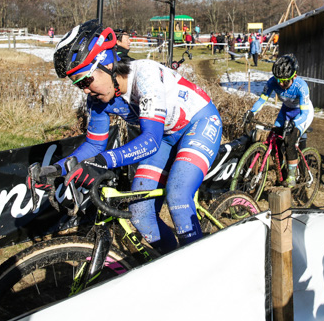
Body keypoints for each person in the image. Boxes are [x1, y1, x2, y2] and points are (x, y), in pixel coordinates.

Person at [45, 19, 222, 252]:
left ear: (107, 64)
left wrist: (102, 162)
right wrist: (57, 169)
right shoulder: (98, 98)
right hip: (166, 136)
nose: (86, 90)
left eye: (86, 80)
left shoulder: (145, 75)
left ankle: (200, 273)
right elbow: (94, 145)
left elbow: (150, 140)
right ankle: (168, 263)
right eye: (79, 85)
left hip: (198, 123)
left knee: (178, 195)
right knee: (139, 213)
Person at [245, 54, 313, 187]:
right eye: (278, 80)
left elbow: (304, 114)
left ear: (294, 76)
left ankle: (292, 177)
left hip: (302, 113)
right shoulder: (272, 82)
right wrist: (251, 112)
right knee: (274, 139)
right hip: (286, 111)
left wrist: (294, 123)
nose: (281, 84)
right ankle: (282, 173)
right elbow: (262, 100)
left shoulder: (301, 86)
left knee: (289, 141)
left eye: (285, 81)